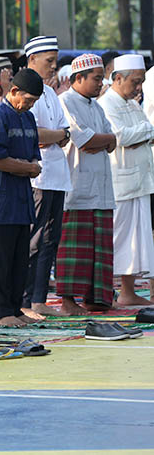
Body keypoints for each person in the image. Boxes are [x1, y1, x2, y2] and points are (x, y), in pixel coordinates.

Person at [0, 69, 44, 326]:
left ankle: (16, 308)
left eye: (33, 102)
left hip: (22, 198)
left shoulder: (28, 118)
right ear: (14, 91)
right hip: (0, 199)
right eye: (27, 99)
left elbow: (34, 156)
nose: (29, 105)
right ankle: (2, 312)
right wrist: (28, 168)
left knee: (20, 258)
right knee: (1, 260)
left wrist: (29, 166)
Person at [57, 54, 117, 313]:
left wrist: (102, 140)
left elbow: (112, 140)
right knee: (76, 249)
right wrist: (102, 140)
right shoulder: (65, 102)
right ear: (78, 78)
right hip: (77, 187)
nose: (100, 83)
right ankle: (69, 302)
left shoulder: (97, 106)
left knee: (99, 248)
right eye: (95, 78)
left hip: (101, 188)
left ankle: (96, 299)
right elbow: (84, 140)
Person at [99, 54, 154, 307]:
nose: (138, 88)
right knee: (118, 239)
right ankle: (104, 293)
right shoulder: (106, 103)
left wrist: (144, 133)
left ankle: (128, 292)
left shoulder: (132, 104)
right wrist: (147, 131)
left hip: (140, 180)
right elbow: (119, 137)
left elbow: (142, 134)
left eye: (141, 82)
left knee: (137, 240)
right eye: (135, 82)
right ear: (117, 78)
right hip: (120, 182)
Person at [23, 36, 72, 317]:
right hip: (38, 178)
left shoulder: (51, 93)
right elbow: (37, 136)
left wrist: (55, 136)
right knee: (35, 238)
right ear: (32, 61)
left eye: (55, 61)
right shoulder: (30, 93)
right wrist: (56, 136)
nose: (54, 67)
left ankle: (39, 299)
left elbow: (65, 134)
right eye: (49, 61)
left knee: (51, 239)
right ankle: (26, 300)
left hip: (57, 176)